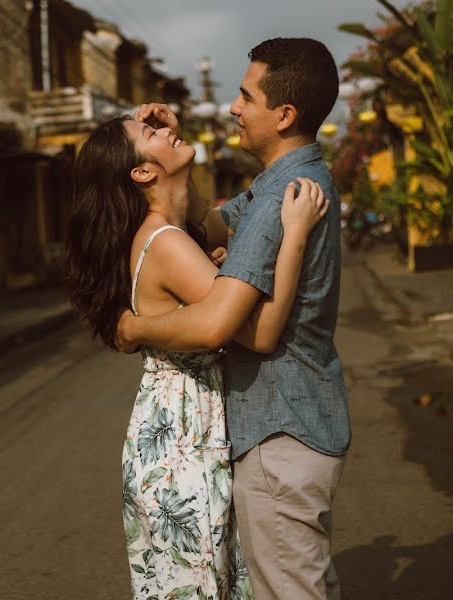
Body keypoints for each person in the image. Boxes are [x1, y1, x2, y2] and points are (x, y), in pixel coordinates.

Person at [117, 38, 351, 600]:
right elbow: (216, 224)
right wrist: (169, 162)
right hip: (296, 418)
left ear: (284, 115)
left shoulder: (282, 200)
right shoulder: (289, 182)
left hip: (280, 425)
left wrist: (134, 328)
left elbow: (230, 326)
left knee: (290, 588)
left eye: (246, 96)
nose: (233, 107)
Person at [64, 112, 328, 599]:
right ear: (142, 172)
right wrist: (294, 236)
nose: (168, 130)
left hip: (178, 432)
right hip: (183, 443)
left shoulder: (172, 232)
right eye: (153, 134)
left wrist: (152, 130)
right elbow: (260, 332)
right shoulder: (165, 241)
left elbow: (203, 215)